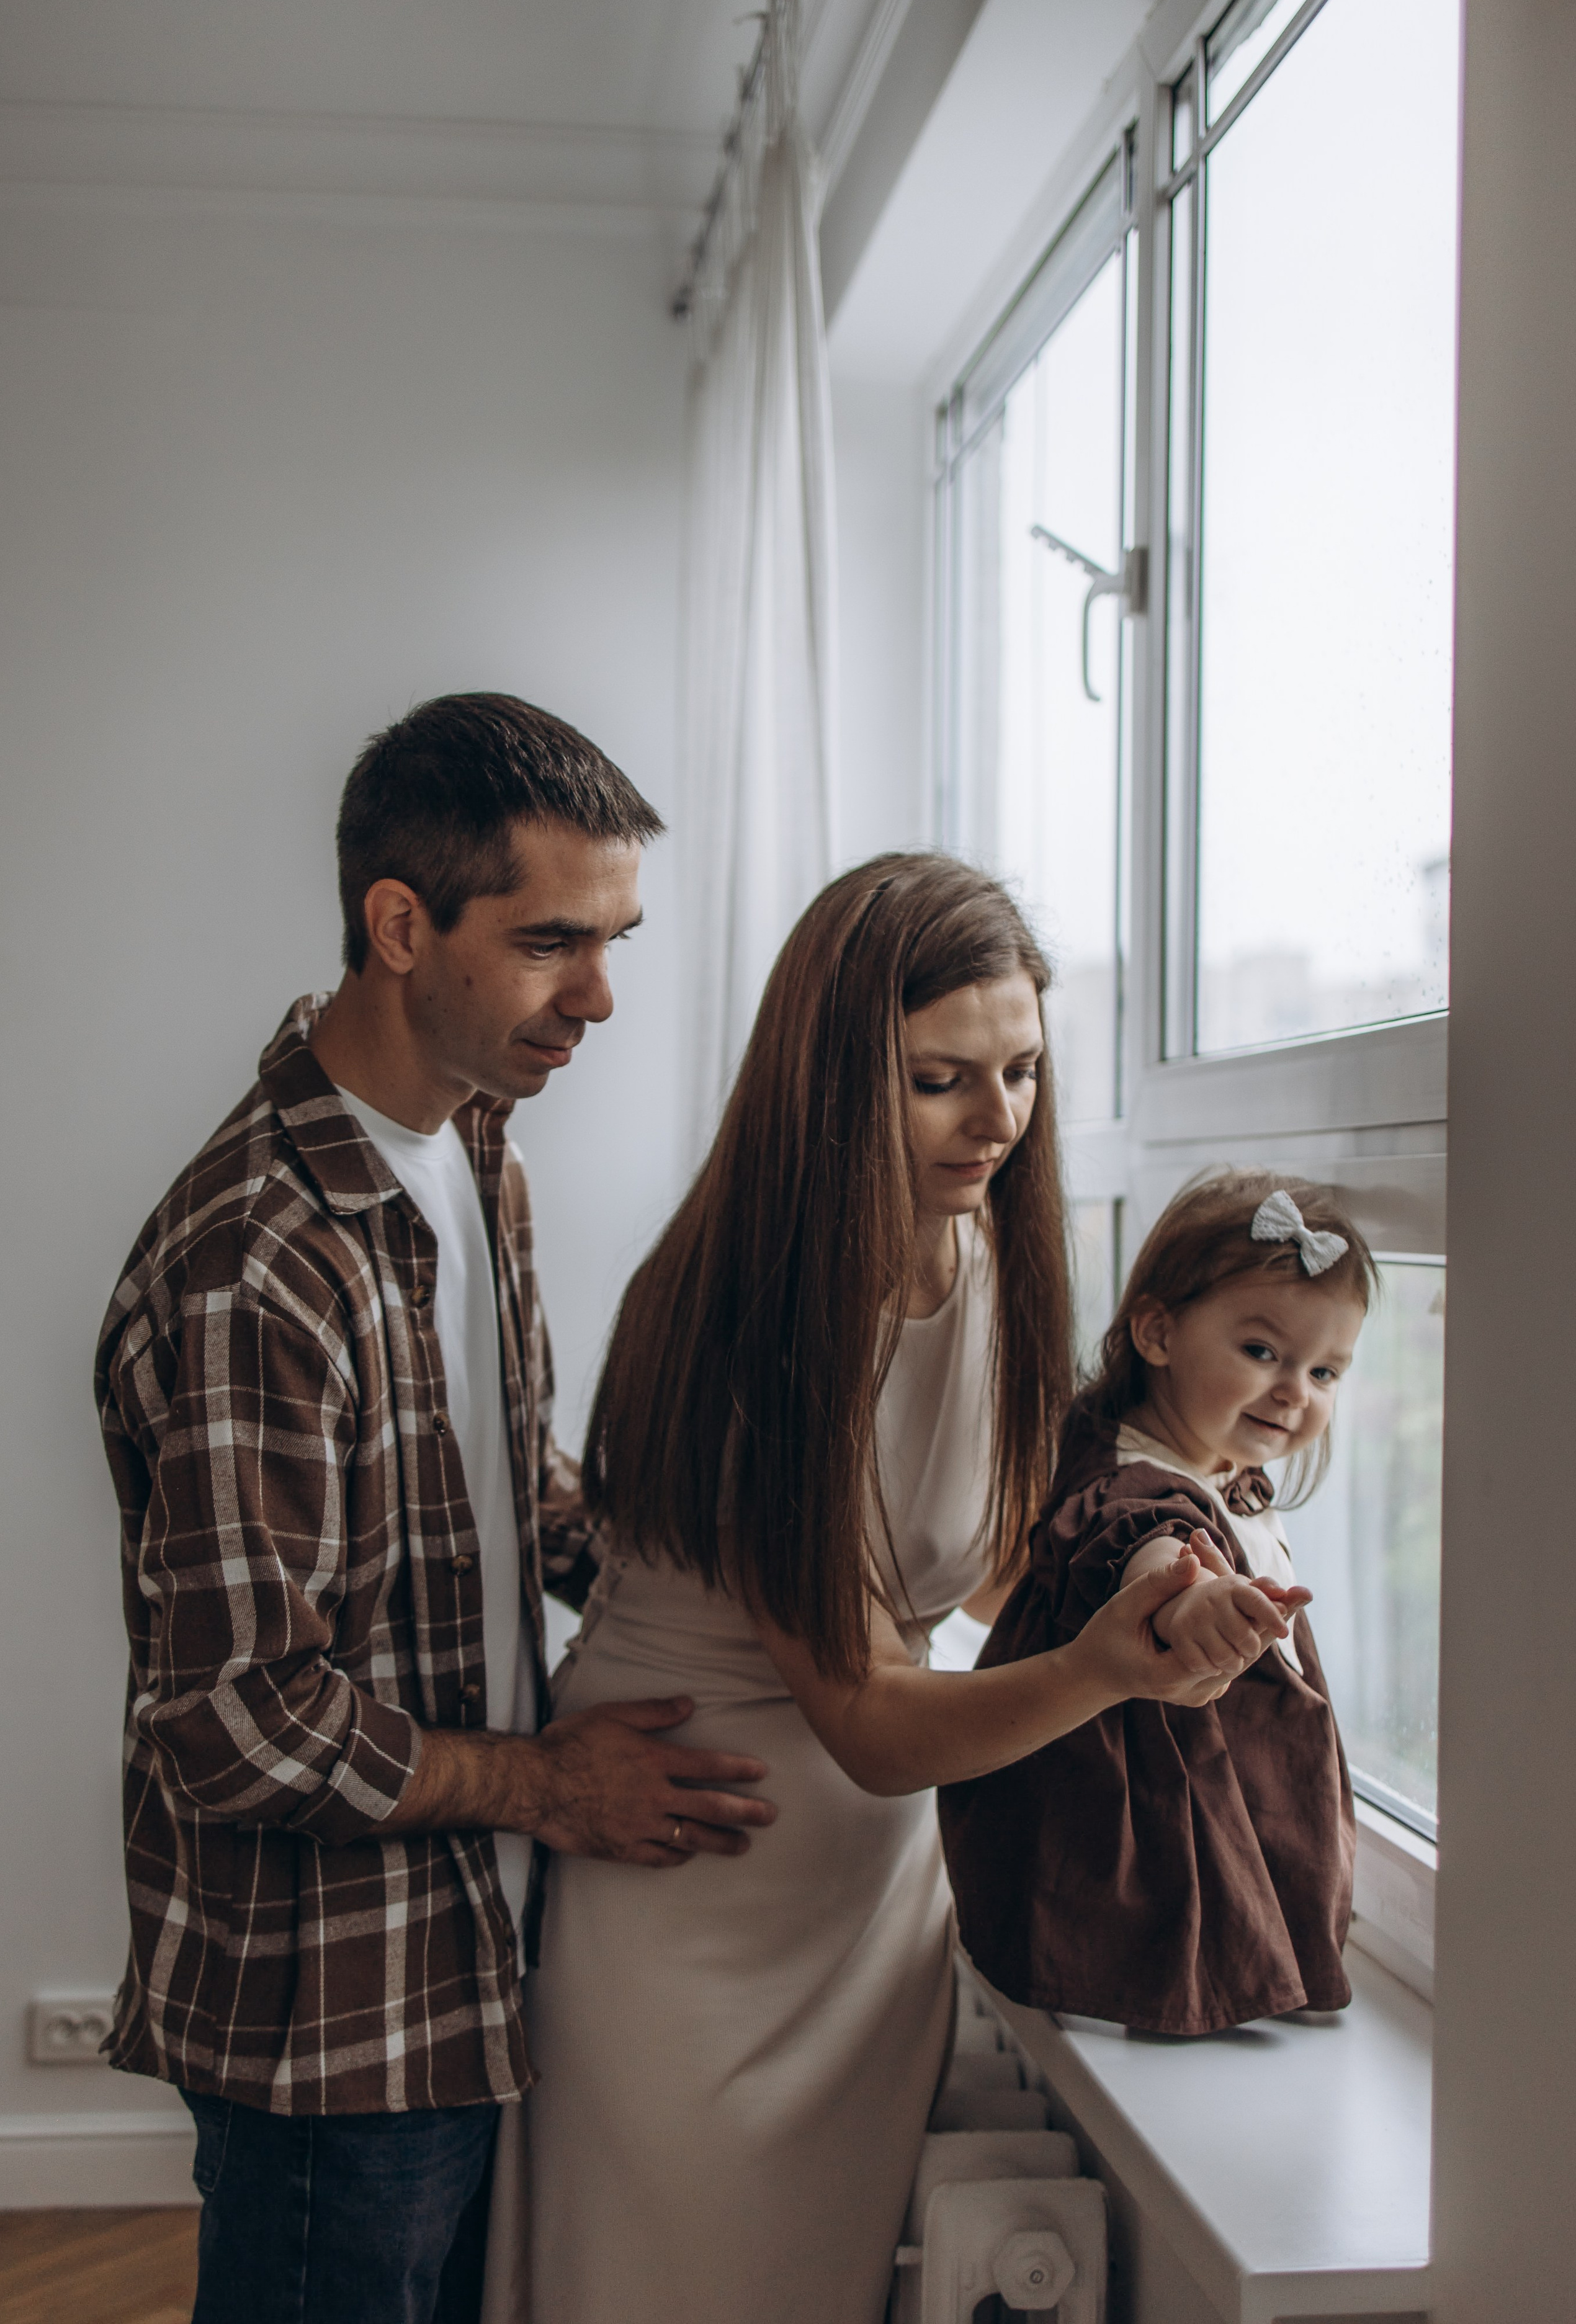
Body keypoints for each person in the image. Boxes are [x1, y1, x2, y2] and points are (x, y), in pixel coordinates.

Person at [517, 857, 1298, 2324]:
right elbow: (871, 1717)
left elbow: (999, 1555)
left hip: (871, 1893)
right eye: (941, 1078)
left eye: (1019, 1071)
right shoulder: (745, 1313)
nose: (995, 1120)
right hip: (690, 1871)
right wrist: (1103, 1671)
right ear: (827, 1083)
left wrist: (1157, 1571)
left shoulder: (988, 1256)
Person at [94, 693, 778, 2324]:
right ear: (400, 925)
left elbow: (500, 1489)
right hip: (328, 2019)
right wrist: (551, 1786)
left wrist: (733, 1583)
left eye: (614, 940)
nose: (601, 997)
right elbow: (240, 1719)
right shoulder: (257, 1263)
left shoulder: (476, 1149)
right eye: (553, 942)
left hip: (469, 1952)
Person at [940, 1169, 1372, 2036]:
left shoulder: (1222, 1467)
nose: (1296, 1390)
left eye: (1325, 1369)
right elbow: (1152, 1555)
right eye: (1262, 1352)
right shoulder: (1128, 1486)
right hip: (1147, 1817)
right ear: (1158, 1331)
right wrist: (1191, 1603)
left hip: (1229, 1781)